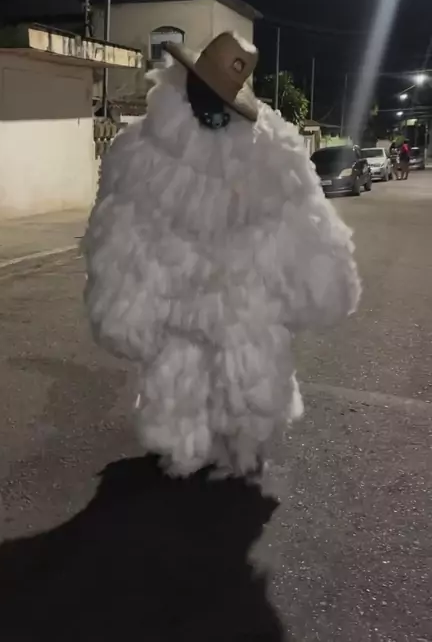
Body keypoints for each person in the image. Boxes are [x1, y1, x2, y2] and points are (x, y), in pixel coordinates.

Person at [83, 32, 361, 477]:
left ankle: (233, 448)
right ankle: (187, 448)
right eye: (203, 90)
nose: (208, 105)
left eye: (219, 97)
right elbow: (119, 228)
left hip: (245, 310)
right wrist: (124, 303)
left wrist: (324, 280)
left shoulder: (270, 151)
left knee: (246, 387)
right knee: (183, 390)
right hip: (183, 311)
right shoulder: (140, 151)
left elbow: (305, 220)